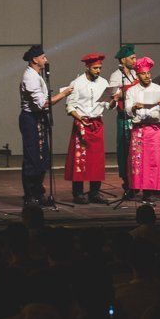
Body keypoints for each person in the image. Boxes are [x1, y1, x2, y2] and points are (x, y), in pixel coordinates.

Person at [19, 44, 73, 207]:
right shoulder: (30, 77)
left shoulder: (36, 75)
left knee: (42, 156)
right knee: (32, 157)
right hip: (31, 119)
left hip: (38, 119)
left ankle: (38, 192)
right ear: (35, 59)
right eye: (43, 57)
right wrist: (63, 94)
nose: (45, 59)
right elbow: (42, 104)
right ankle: (30, 195)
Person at [64, 52, 115, 205]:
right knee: (80, 159)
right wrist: (79, 118)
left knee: (97, 160)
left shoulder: (104, 83)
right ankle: (78, 193)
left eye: (99, 68)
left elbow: (108, 105)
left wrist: (114, 100)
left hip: (97, 123)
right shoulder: (77, 83)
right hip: (82, 122)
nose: (98, 71)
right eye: (95, 68)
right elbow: (70, 106)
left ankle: (94, 192)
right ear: (87, 67)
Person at [124, 57, 160, 202]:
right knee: (137, 161)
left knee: (153, 160)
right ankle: (136, 188)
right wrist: (134, 107)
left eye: (149, 73)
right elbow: (127, 110)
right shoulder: (132, 91)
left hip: (154, 129)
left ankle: (150, 191)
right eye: (143, 74)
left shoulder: (158, 89)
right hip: (139, 129)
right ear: (138, 75)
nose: (147, 76)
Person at [108, 44, 138, 197]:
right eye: (132, 58)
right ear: (123, 59)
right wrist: (121, 94)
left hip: (137, 117)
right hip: (124, 117)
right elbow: (113, 98)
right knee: (125, 151)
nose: (135, 60)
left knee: (137, 152)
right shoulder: (116, 76)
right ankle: (128, 183)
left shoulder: (135, 74)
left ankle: (138, 182)